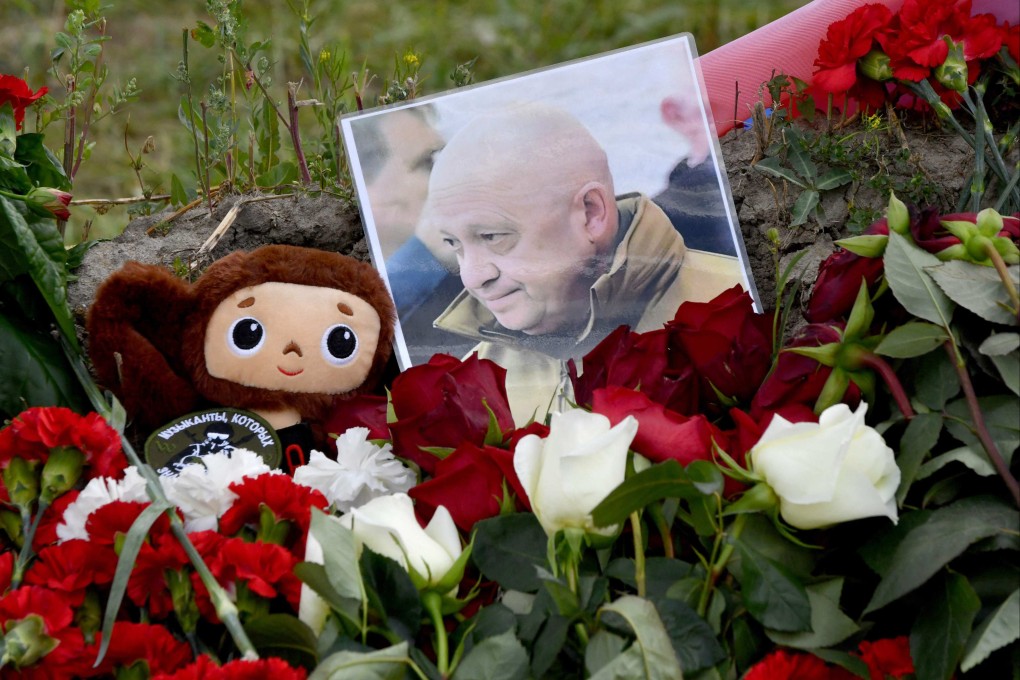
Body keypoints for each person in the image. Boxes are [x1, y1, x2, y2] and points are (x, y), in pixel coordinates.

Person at [420, 103, 745, 423]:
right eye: (454, 245)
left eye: (492, 236)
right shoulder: (467, 390)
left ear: (591, 213)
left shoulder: (744, 311)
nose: (473, 277)